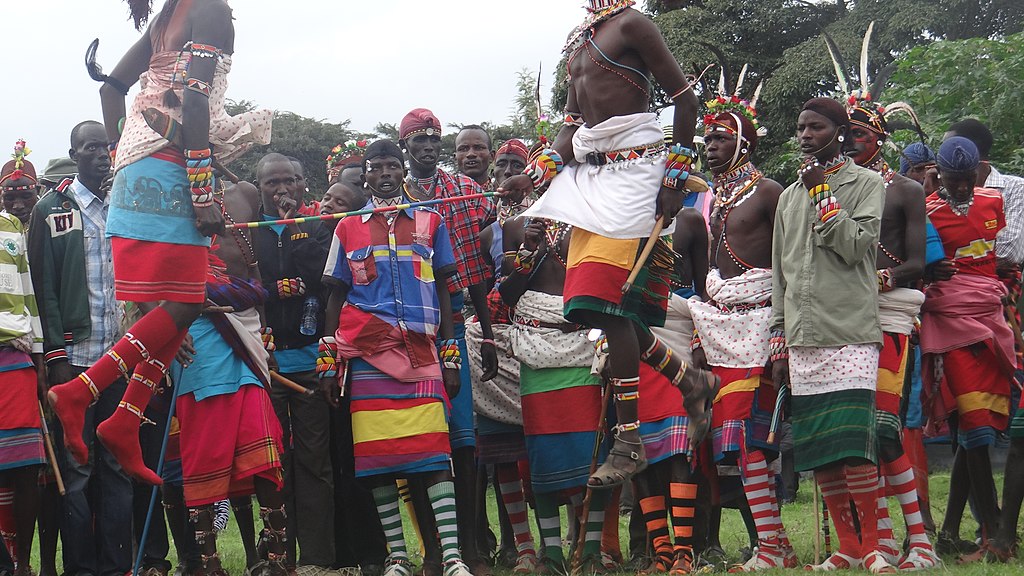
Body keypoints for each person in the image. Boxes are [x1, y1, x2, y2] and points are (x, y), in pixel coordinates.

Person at [48, 0, 271, 486]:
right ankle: (82, 393)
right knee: (187, 300)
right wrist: (201, 189)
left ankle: (126, 418)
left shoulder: (170, 14)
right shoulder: (206, 7)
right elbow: (193, 100)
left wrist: (119, 154)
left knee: (183, 304)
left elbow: (111, 89)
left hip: (139, 165)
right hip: (169, 170)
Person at [510, 0, 717, 488]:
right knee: (586, 305)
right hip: (590, 181)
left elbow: (687, 102)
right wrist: (533, 173)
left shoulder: (633, 24)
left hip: (637, 176)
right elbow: (571, 129)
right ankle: (688, 380)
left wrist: (676, 174)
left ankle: (628, 442)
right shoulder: (579, 41)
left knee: (608, 304)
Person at [320, 139, 473, 576]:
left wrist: (452, 358)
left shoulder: (432, 220)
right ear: (364, 175)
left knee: (435, 457)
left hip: (422, 353)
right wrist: (329, 365)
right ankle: (398, 558)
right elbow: (335, 296)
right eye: (376, 168)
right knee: (379, 461)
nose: (385, 174)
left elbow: (446, 290)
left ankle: (452, 557)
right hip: (367, 355)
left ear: (402, 171)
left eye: (392, 166)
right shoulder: (346, 227)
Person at [771, 97, 887, 571]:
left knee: (853, 444)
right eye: (800, 128)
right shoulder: (786, 196)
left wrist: (823, 195)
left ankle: (875, 546)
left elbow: (858, 247)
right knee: (820, 449)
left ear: (840, 133)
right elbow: (780, 271)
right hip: (802, 336)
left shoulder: (867, 183)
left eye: (815, 128)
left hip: (850, 330)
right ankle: (846, 549)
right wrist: (778, 334)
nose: (804, 136)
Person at [688, 93, 794, 571]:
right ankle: (775, 545)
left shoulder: (770, 191)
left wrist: (780, 330)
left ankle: (772, 547)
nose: (710, 144)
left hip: (761, 322)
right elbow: (712, 267)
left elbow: (790, 263)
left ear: (745, 142)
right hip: (722, 326)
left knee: (754, 438)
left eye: (721, 136)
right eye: (707, 136)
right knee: (734, 441)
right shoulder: (715, 197)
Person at [27, 121, 135, 576]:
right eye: (88, 147)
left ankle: (116, 567)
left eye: (103, 147)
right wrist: (54, 359)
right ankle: (81, 569)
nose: (98, 154)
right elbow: (42, 287)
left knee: (118, 465)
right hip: (73, 361)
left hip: (120, 360)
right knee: (78, 470)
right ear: (74, 153)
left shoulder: (127, 206)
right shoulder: (53, 209)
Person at [166, 180, 289, 576]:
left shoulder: (245, 193)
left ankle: (277, 560)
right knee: (203, 451)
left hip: (248, 332)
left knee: (263, 449)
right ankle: (208, 564)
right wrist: (169, 330)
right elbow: (145, 271)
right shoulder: (160, 195)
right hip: (195, 334)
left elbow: (253, 268)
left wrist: (265, 340)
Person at [399, 108, 498, 576]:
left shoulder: (468, 191)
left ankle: (472, 547)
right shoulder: (385, 198)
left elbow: (477, 271)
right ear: (405, 147)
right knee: (422, 440)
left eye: (433, 139)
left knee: (463, 442)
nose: (427, 146)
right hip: (403, 335)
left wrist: (490, 334)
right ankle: (434, 552)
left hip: (454, 325)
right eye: (418, 139)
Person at [845, 94, 939, 570]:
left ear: (879, 138)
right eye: (847, 134)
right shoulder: (837, 188)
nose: (849, 142)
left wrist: (874, 280)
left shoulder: (904, 190)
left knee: (883, 428)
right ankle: (878, 540)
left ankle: (920, 542)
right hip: (841, 317)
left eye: (859, 134)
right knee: (855, 430)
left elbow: (919, 263)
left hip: (887, 316)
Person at [499, 195, 610, 573]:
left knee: (589, 458)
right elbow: (506, 296)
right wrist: (529, 250)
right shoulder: (517, 226)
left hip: (583, 355)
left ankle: (591, 553)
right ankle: (552, 555)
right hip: (536, 358)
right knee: (543, 461)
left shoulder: (589, 218)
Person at [920, 136, 1014, 563]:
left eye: (966, 181)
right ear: (940, 174)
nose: (961, 189)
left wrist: (1004, 277)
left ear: (978, 174)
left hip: (993, 317)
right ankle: (994, 528)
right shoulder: (926, 213)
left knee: (979, 425)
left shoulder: (993, 203)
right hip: (950, 323)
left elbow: (996, 258)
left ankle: (972, 529)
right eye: (953, 180)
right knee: (974, 423)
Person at [254, 153, 335, 574]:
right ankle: (276, 557)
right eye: (272, 183)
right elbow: (246, 287)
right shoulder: (247, 232)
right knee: (272, 462)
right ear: (259, 187)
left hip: (308, 362)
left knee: (313, 461)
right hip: (263, 364)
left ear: (304, 185)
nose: (281, 190)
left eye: (289, 181)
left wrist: (295, 230)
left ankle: (317, 557)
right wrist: (271, 289)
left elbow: (325, 281)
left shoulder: (316, 227)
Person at [464, 138, 538, 573]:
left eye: (517, 165)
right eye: (502, 167)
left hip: (540, 334)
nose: (507, 175)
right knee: (500, 449)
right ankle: (517, 544)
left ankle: (555, 540)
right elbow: (479, 287)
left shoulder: (551, 220)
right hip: (494, 338)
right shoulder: (487, 232)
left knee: (544, 444)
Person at [0, 142, 45, 576]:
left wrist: (37, 352)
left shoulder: (11, 229)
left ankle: (22, 565)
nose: (15, 200)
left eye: (23, 190)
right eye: (7, 192)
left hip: (16, 359)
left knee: (26, 464)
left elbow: (28, 295)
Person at [945, 119, 1024, 268]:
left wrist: (952, 262)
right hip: (949, 283)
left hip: (997, 285)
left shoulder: (1016, 189)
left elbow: (1009, 254)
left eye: (949, 146)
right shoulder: (943, 192)